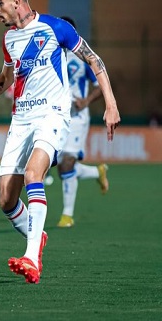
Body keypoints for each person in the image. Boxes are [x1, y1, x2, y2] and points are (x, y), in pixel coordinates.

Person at [0, 0, 120, 284]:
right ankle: (38, 236)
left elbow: (94, 60)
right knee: (6, 199)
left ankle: (32, 257)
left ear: (17, 2)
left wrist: (111, 105)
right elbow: (5, 79)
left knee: (35, 174)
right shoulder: (9, 39)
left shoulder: (56, 28)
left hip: (53, 114)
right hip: (21, 119)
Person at [55, 16, 110, 229]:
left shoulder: (83, 57)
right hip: (56, 117)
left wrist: (86, 100)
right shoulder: (49, 56)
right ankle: (98, 172)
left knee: (67, 162)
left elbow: (100, 84)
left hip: (77, 117)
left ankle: (67, 216)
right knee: (62, 168)